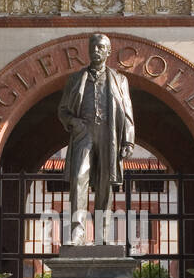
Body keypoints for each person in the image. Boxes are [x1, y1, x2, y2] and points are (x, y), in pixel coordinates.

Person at [57, 33, 135, 245]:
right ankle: (78, 232)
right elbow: (63, 110)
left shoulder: (120, 80)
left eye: (101, 47)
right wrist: (75, 123)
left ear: (108, 52)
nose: (96, 50)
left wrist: (128, 140)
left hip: (109, 134)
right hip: (84, 133)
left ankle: (102, 235)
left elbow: (127, 110)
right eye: (93, 46)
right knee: (79, 179)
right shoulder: (75, 79)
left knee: (104, 185)